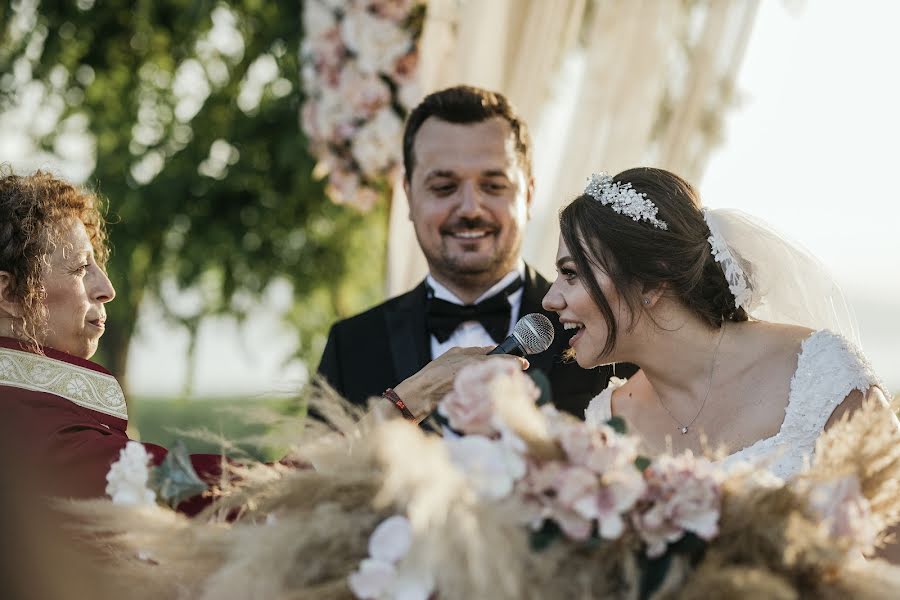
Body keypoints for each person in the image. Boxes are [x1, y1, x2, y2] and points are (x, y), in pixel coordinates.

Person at [0, 170, 486, 503]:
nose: (106, 288)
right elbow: (247, 501)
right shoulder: (43, 438)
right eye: (82, 268)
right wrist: (408, 401)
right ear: (8, 292)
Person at [542, 167, 894, 479]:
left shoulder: (818, 375)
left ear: (651, 282)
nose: (550, 299)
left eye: (571, 274)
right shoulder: (608, 424)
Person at [318, 86, 633, 416]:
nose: (470, 208)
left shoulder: (607, 332)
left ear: (527, 195)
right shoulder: (350, 345)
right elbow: (311, 467)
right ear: (409, 197)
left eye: (493, 186)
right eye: (444, 187)